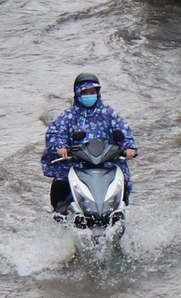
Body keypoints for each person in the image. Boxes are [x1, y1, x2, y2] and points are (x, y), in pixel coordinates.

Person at [42, 73, 137, 216]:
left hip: (106, 164)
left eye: (92, 92)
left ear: (97, 93)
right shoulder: (68, 117)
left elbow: (124, 131)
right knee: (59, 185)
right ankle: (59, 217)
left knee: (123, 182)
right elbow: (55, 133)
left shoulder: (109, 114)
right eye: (85, 92)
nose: (89, 95)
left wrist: (129, 147)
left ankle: (120, 211)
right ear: (77, 94)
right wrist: (60, 146)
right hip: (75, 164)